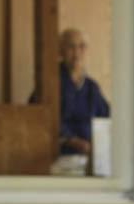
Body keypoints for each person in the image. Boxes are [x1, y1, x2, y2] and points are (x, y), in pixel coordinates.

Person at [32, 28, 110, 159]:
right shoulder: (49, 83)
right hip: (56, 156)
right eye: (71, 47)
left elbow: (106, 118)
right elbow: (37, 120)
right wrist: (70, 140)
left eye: (81, 47)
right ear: (60, 51)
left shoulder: (91, 87)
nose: (76, 53)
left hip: (88, 156)